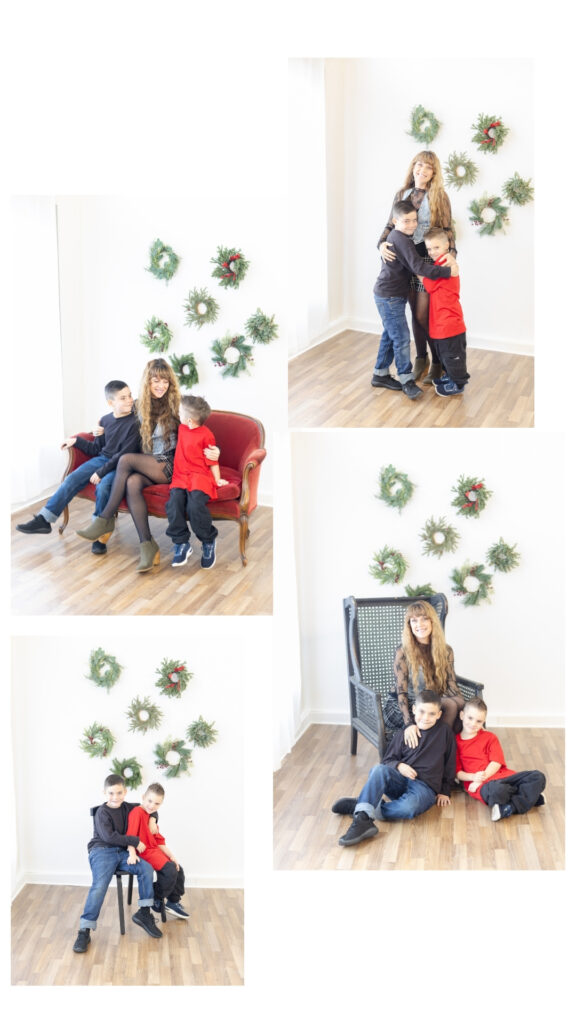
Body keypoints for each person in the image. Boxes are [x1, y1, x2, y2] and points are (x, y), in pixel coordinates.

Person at [76, 359, 219, 572]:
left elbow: (199, 430)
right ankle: (148, 545)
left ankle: (105, 519)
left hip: (170, 463)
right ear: (147, 382)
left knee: (126, 460)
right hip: (147, 463)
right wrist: (100, 429)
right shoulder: (137, 405)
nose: (161, 386)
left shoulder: (177, 406)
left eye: (165, 381)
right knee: (132, 482)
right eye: (156, 381)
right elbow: (115, 419)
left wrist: (216, 452)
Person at [16, 380, 139, 540]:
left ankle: (99, 533)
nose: (129, 400)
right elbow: (96, 449)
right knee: (71, 478)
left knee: (103, 487)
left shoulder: (135, 423)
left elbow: (124, 454)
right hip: (102, 459)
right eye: (123, 398)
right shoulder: (105, 421)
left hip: (121, 465)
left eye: (129, 395)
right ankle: (44, 520)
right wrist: (77, 441)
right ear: (111, 403)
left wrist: (101, 472)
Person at [333, 690, 456, 846]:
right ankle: (363, 819)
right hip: (400, 780)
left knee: (410, 807)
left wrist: (445, 791)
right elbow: (387, 761)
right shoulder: (404, 733)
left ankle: (364, 807)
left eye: (431, 714)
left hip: (424, 788)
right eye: (422, 712)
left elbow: (450, 762)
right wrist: (399, 765)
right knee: (378, 770)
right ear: (414, 710)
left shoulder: (445, 732)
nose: (426, 718)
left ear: (439, 715)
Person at [378, 151, 455, 384]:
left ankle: (438, 361)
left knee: (424, 315)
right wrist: (381, 243)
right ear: (413, 167)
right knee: (413, 312)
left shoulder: (439, 196)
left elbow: (448, 229)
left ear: (434, 172)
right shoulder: (402, 193)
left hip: (426, 259)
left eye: (428, 167)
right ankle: (421, 358)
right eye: (419, 165)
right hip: (404, 259)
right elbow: (390, 223)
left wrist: (451, 255)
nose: (422, 170)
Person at [372, 200, 458, 400]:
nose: (412, 225)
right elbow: (418, 266)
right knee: (401, 337)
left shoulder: (400, 237)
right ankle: (406, 380)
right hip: (389, 296)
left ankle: (380, 374)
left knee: (390, 335)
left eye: (414, 220)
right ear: (395, 221)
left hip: (391, 295)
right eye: (406, 221)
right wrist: (448, 272)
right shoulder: (400, 239)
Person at [72, 774, 163, 954]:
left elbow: (150, 807)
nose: (115, 797)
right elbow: (109, 837)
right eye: (111, 793)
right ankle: (84, 930)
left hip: (122, 853)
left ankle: (144, 913)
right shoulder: (102, 812)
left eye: (119, 793)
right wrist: (134, 841)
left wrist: (153, 819)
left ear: (125, 792)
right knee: (100, 885)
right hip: (102, 851)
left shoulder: (129, 807)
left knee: (146, 868)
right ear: (104, 793)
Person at [383, 600, 465, 744]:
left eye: (424, 619)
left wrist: (468, 711)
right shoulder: (403, 651)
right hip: (402, 706)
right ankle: (438, 748)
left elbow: (451, 684)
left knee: (459, 704)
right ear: (409, 625)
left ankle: (446, 748)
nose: (419, 624)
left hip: (428, 701)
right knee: (450, 706)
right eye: (414, 620)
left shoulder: (446, 650)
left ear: (432, 621)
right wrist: (409, 723)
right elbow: (401, 693)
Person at [456, 697, 547, 821]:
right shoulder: (455, 743)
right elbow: (457, 773)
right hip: (485, 786)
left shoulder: (490, 737)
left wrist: (482, 777)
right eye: (470, 718)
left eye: (479, 721)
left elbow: (496, 762)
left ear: (484, 721)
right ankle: (530, 797)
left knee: (538, 777)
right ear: (462, 715)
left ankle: (509, 807)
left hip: (504, 777)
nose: (473, 724)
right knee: (497, 790)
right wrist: (474, 778)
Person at [166, 394, 228, 571]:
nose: (177, 414)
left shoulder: (206, 435)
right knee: (174, 503)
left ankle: (208, 540)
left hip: (199, 476)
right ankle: (181, 543)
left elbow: (212, 460)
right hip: (180, 476)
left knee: (195, 506)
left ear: (190, 421)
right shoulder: (181, 427)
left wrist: (217, 479)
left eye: (180, 412)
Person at [419, 227, 470, 397]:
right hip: (441, 321)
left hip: (449, 322)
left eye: (436, 247)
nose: (432, 252)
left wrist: (417, 270)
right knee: (445, 354)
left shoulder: (446, 264)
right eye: (429, 249)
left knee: (453, 356)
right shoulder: (440, 264)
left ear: (447, 245)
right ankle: (450, 376)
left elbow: (429, 285)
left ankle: (458, 383)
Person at [127, 782, 189, 919]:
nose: (152, 806)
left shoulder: (151, 818)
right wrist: (132, 852)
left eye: (157, 803)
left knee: (178, 869)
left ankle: (173, 902)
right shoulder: (137, 813)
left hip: (154, 850)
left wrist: (172, 856)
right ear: (143, 797)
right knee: (170, 870)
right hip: (144, 851)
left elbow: (159, 842)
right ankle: (155, 896)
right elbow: (130, 836)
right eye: (149, 801)